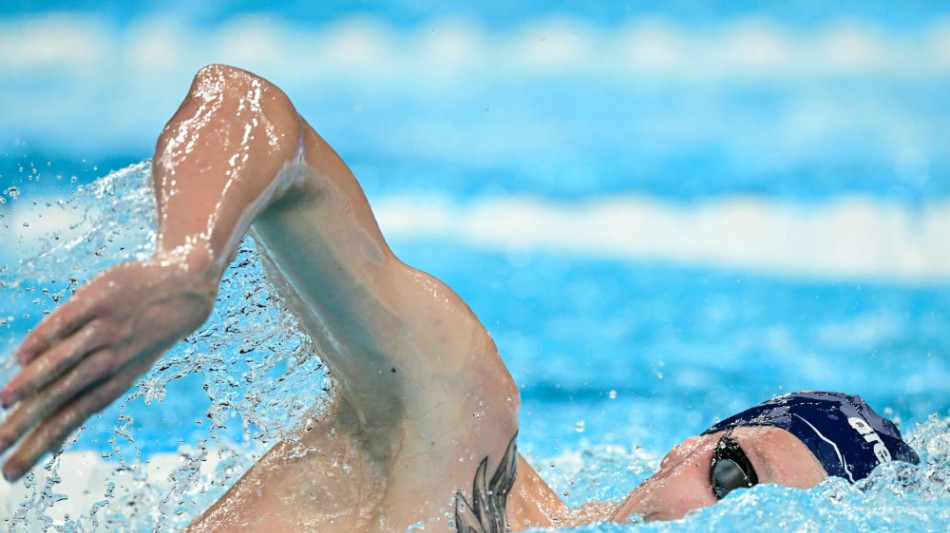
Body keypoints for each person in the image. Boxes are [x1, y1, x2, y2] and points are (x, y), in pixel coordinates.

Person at [0, 65, 919, 531]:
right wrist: (187, 265)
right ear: (686, 445)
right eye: (729, 478)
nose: (705, 523)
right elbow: (247, 107)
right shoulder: (466, 436)